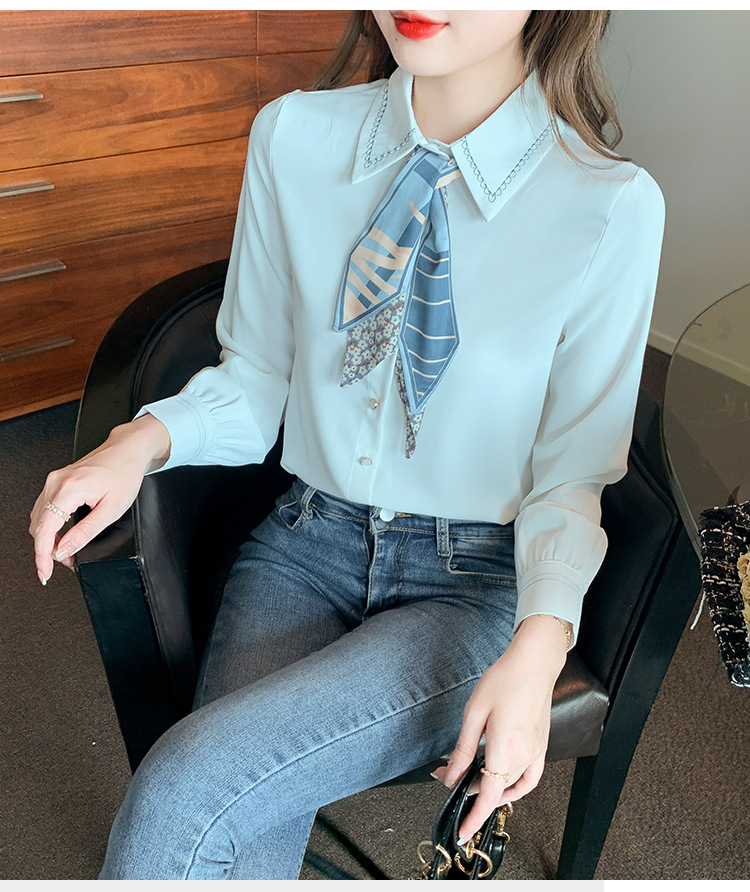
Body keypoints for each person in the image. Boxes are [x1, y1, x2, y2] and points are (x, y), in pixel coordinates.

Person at [29, 10, 665, 880]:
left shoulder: (611, 206)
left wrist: (540, 644)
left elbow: (572, 475)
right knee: (227, 833)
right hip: (305, 545)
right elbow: (257, 375)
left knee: (182, 789)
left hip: (474, 581)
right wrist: (138, 441)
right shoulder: (294, 137)